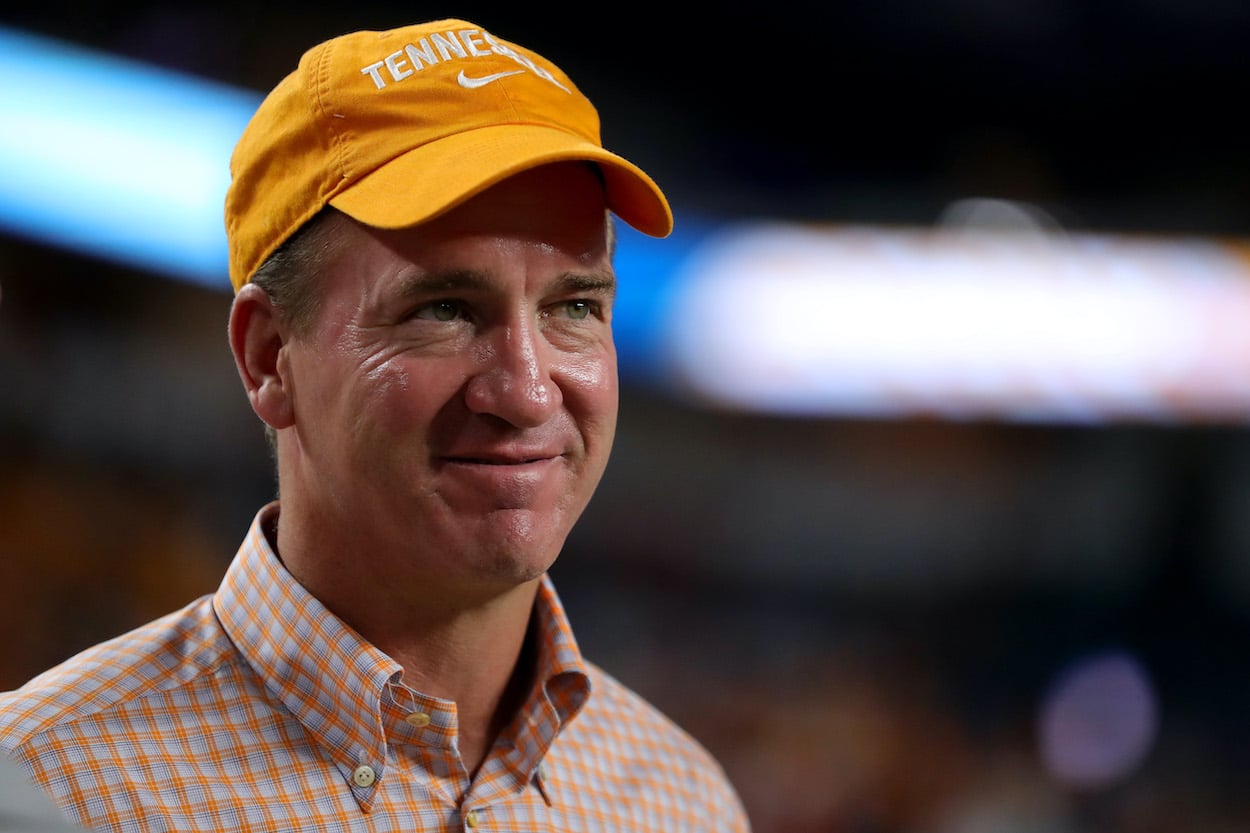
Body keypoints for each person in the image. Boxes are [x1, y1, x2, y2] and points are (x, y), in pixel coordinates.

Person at [0, 18, 751, 833]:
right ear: (268, 357)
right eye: (445, 310)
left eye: (573, 307)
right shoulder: (45, 789)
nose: (528, 392)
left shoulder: (683, 801)